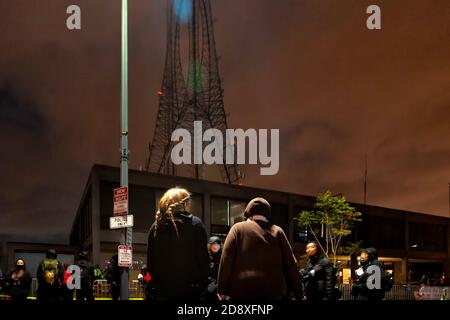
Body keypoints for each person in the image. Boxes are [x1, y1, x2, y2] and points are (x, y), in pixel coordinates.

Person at [217, 197, 303, 300]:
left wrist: (222, 290)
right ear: (267, 213)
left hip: (242, 292)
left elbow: (226, 260)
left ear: (248, 212)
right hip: (272, 293)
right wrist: (299, 294)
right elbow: (291, 265)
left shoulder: (237, 228)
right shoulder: (277, 231)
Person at [146, 187, 209, 300]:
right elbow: (203, 262)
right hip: (190, 292)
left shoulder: (155, 227)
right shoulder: (196, 224)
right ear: (185, 204)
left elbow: (151, 265)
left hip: (162, 292)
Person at [206, 236, 223, 300]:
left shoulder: (222, 257)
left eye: (217, 244)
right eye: (213, 244)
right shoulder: (206, 257)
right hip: (209, 286)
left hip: (220, 286)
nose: (215, 246)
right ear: (210, 245)